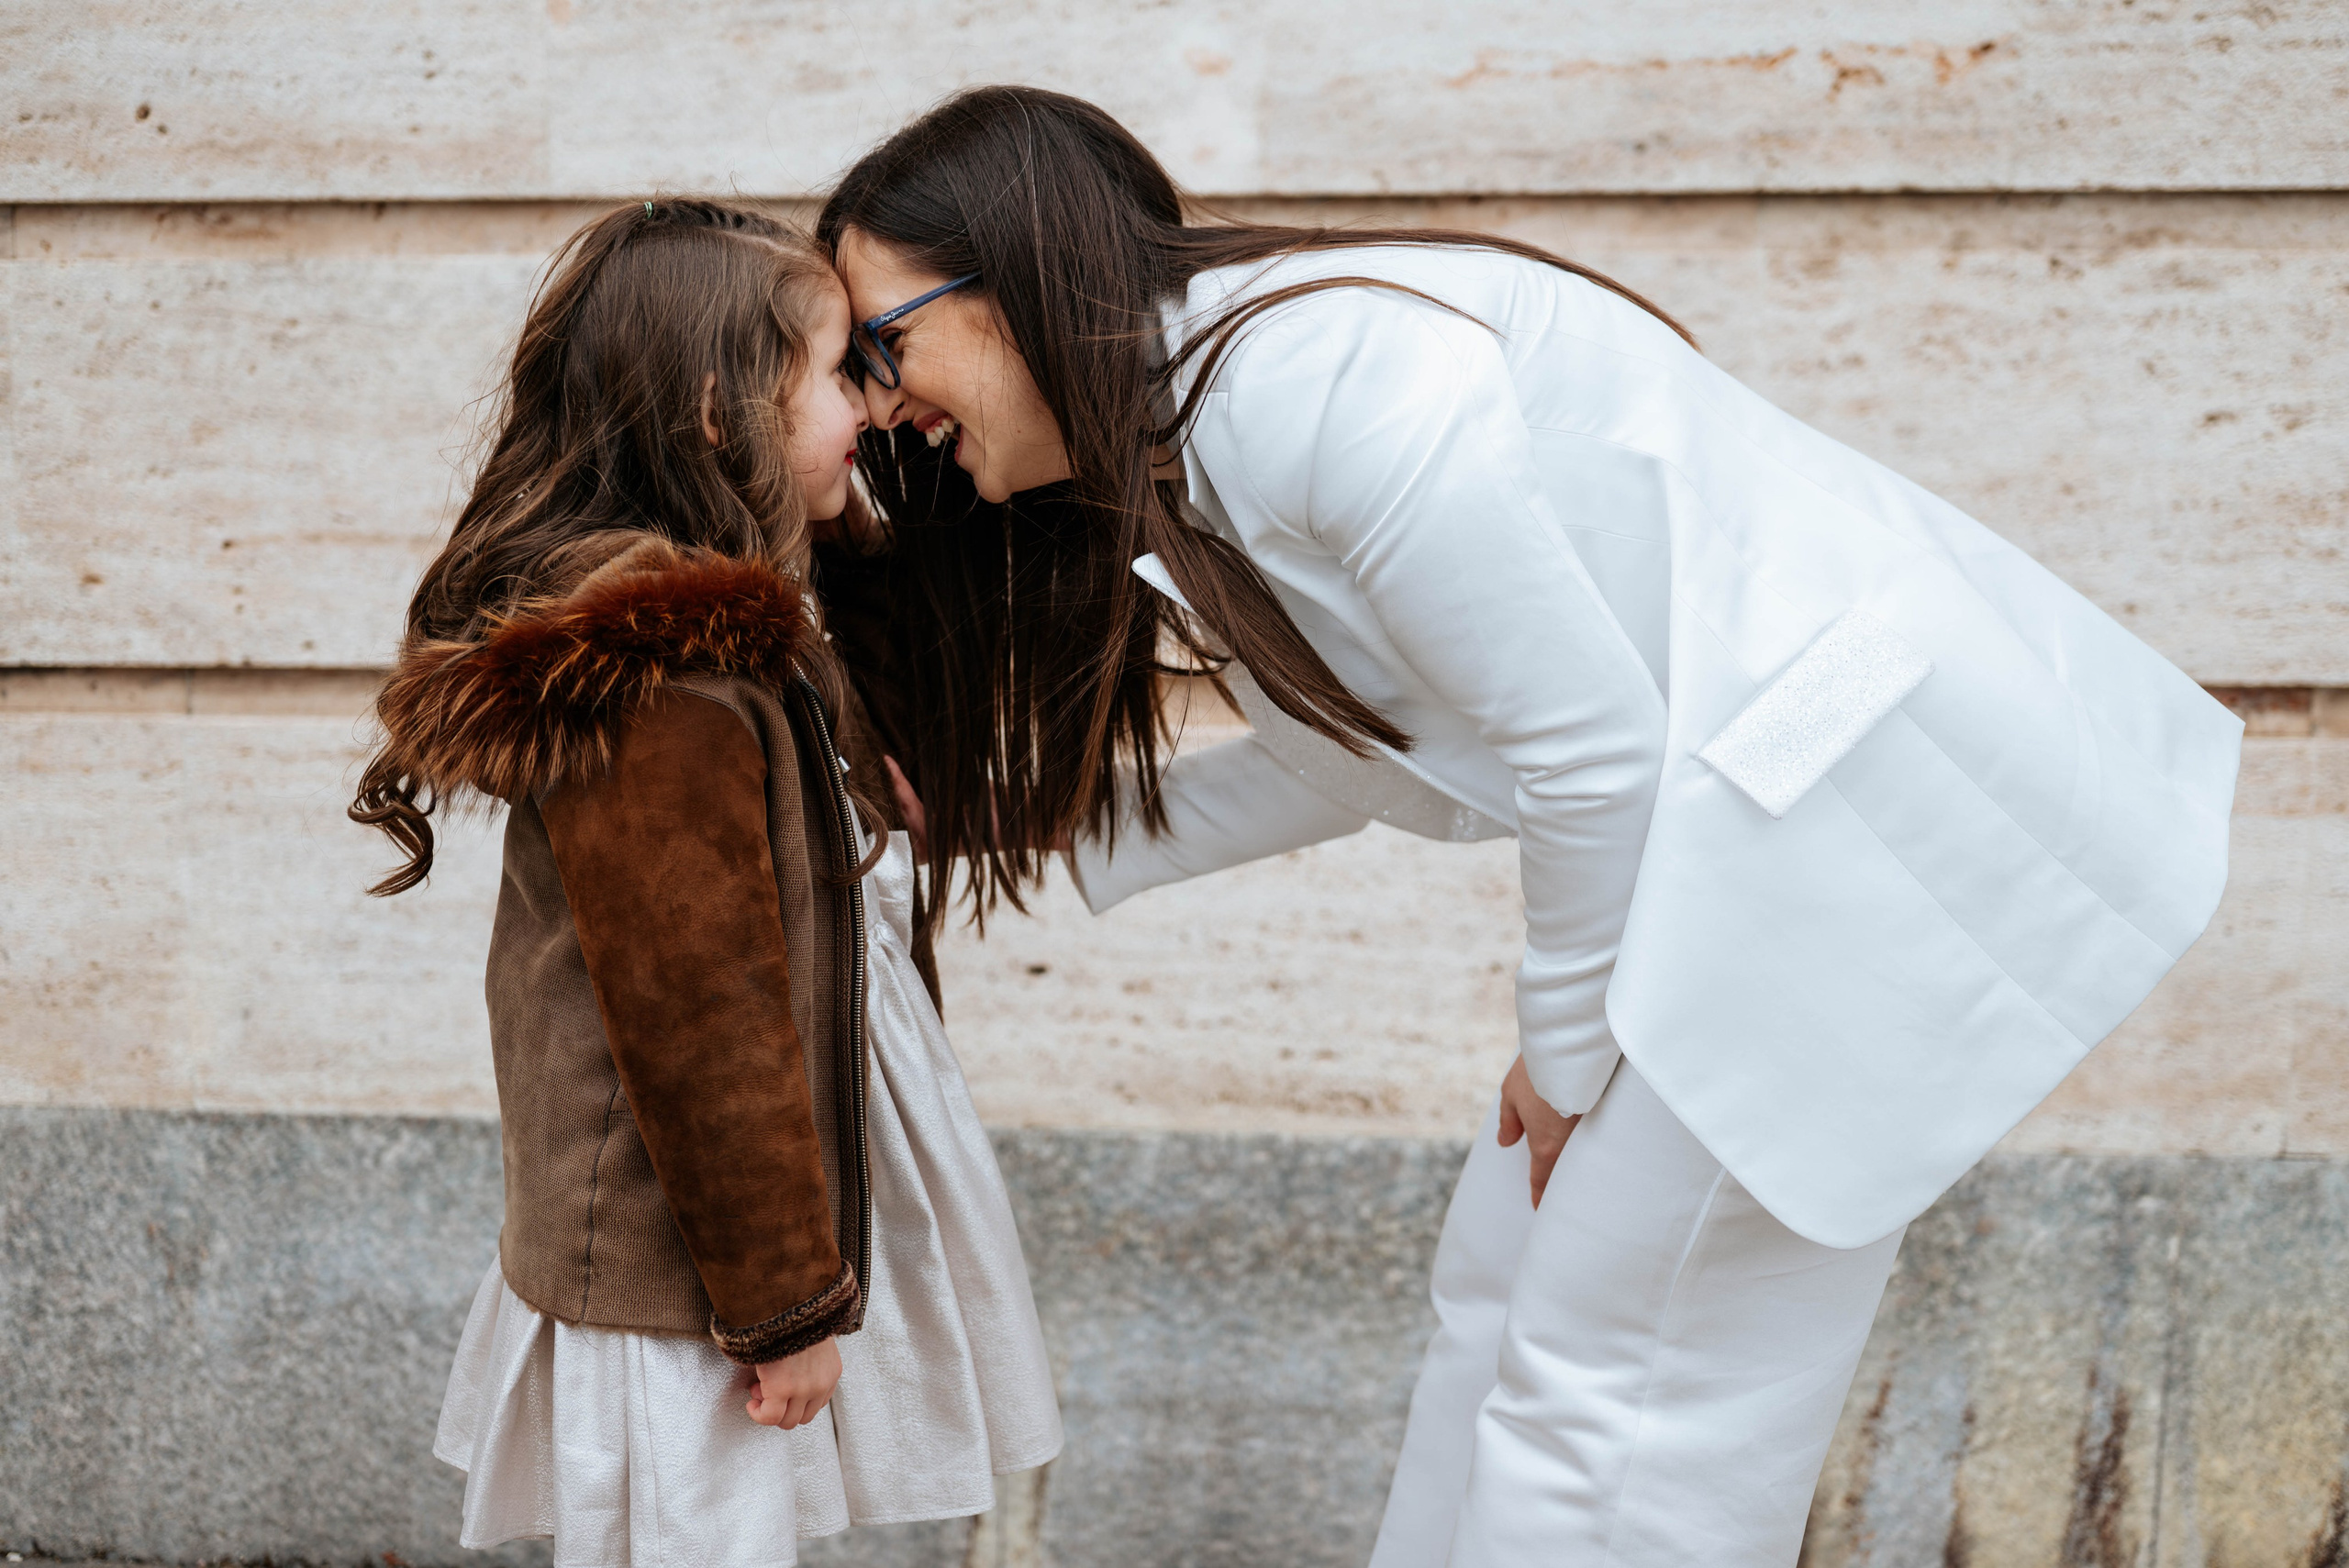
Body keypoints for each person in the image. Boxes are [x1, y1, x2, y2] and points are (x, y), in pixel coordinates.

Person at [815, 87, 2242, 1567]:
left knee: (1619, 1397)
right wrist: (1018, 823)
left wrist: (1563, 1057)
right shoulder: (1229, 415)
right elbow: (1343, 758)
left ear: (1018, 275)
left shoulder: (1316, 380)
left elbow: (1593, 756)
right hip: (1746, 849)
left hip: (1831, 842)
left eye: (883, 342)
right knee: (1506, 1299)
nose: (875, 405)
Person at [349, 197, 1061, 1568]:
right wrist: (782, 1305)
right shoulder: (663, 676)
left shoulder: (732, 637)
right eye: (840, 369)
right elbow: (698, 1016)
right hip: (691, 1284)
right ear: (717, 411)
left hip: (713, 1268)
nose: (874, 404)